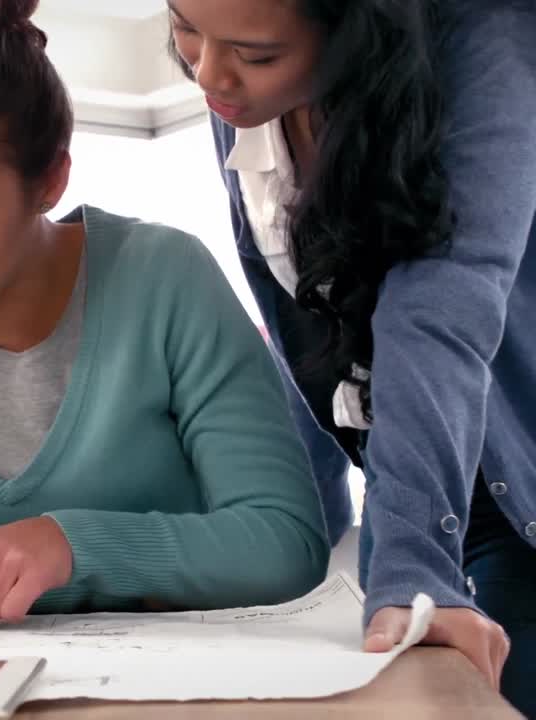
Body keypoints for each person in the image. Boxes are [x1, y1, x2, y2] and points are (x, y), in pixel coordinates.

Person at [0, 0, 329, 636]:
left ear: (50, 181)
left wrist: (71, 548)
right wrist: (50, 574)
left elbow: (283, 543)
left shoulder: (165, 276)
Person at [167, 0, 535, 711]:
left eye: (257, 54)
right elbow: (307, 326)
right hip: (403, 475)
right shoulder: (239, 96)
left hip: (515, 482)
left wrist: (415, 563)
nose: (207, 73)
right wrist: (286, 534)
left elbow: (437, 309)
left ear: (354, 30)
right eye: (183, 26)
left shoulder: (487, 33)